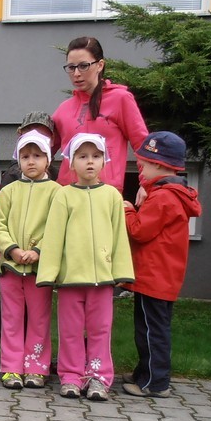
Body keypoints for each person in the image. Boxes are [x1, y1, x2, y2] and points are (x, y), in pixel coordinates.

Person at [36, 133, 134, 401]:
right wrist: (49, 273)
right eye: (82, 156)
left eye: (96, 156)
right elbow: (54, 237)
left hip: (102, 280)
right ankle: (71, 376)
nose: (89, 161)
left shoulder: (112, 196)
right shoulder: (64, 196)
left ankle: (98, 377)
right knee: (70, 330)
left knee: (100, 330)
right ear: (71, 162)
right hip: (70, 280)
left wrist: (121, 272)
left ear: (104, 160)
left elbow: (119, 236)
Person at [122, 132, 202, 398]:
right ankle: (144, 372)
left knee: (150, 331)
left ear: (160, 165)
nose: (141, 168)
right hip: (162, 277)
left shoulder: (163, 198)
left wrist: (127, 209)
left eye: (144, 163)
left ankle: (154, 383)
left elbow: (139, 231)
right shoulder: (170, 194)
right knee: (152, 328)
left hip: (153, 277)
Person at [0, 131, 61, 390]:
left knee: (39, 320)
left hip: (39, 269)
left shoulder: (56, 192)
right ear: (18, 160)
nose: (31, 161)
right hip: (11, 266)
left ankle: (36, 367)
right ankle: (11, 366)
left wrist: (39, 250)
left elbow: (57, 227)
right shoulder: (9, 191)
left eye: (37, 156)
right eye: (25, 156)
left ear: (48, 159)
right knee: (11, 319)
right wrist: (12, 249)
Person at [52, 37, 148, 196]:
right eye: (71, 67)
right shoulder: (64, 109)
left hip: (106, 194)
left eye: (83, 66)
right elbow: (41, 149)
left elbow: (142, 144)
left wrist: (146, 183)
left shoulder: (120, 99)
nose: (76, 73)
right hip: (67, 194)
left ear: (100, 65)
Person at [0, 112, 58, 189]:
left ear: (52, 139)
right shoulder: (12, 176)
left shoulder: (57, 178)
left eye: (41, 134)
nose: (34, 138)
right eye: (29, 134)